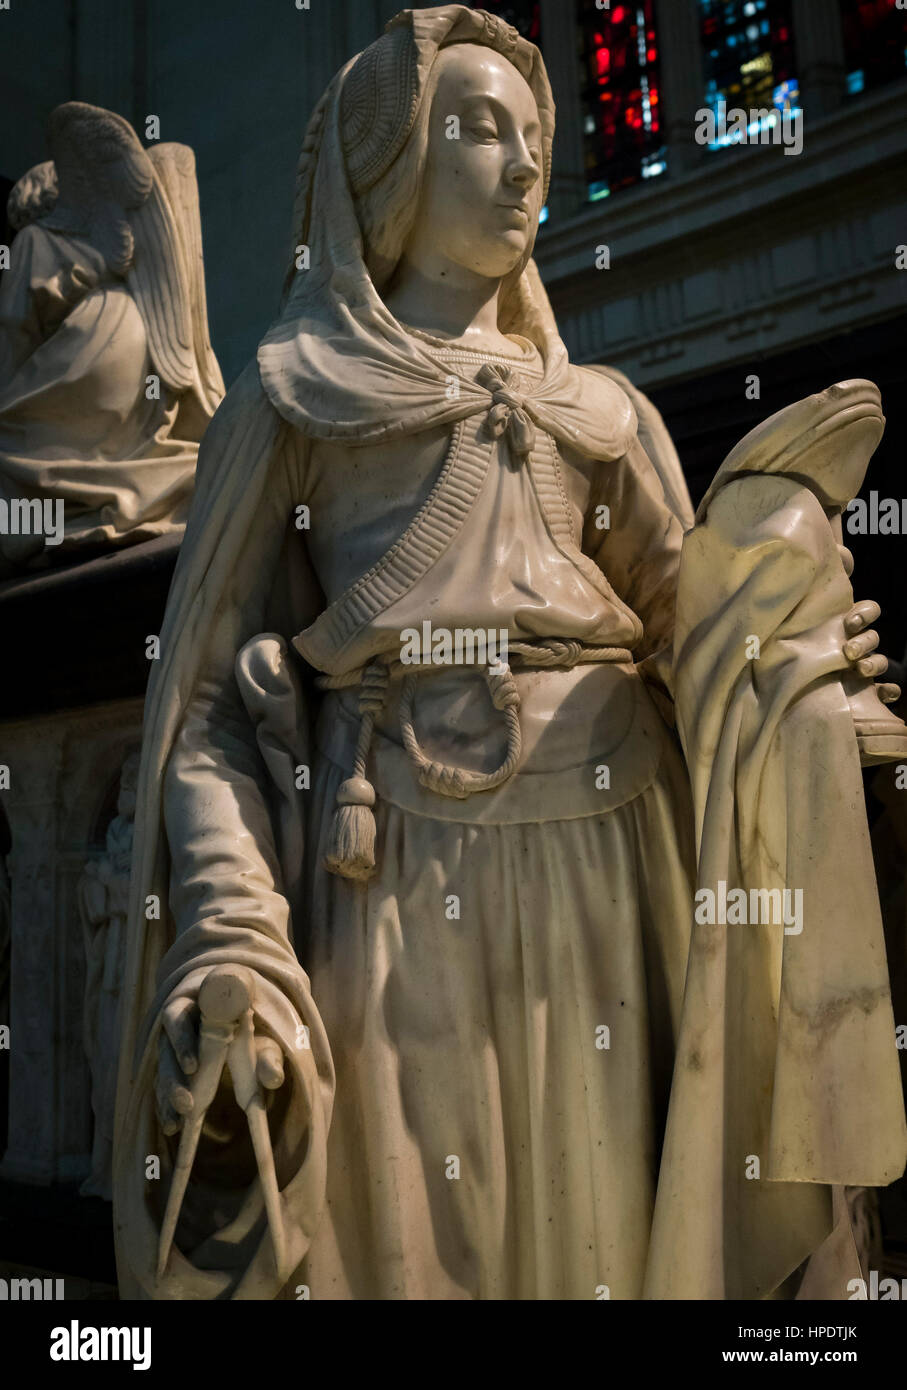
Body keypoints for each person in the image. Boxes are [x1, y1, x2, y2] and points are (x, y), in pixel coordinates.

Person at [114, 6, 905, 1300]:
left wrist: (792, 655)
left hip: (620, 849)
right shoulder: (297, 393)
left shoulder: (604, 412)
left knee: (607, 1230)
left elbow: (690, 641)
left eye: (535, 133)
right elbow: (208, 698)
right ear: (383, 168)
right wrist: (235, 926)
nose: (526, 162)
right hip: (406, 872)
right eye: (476, 129)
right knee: (435, 1245)